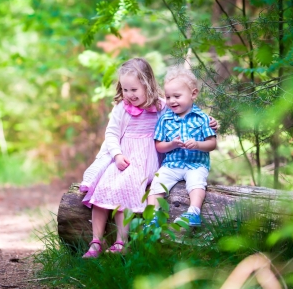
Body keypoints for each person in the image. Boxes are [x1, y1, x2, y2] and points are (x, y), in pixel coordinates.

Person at [80, 59, 218, 258]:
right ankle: (96, 241)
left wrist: (210, 122)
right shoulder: (121, 108)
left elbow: (186, 111)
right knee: (103, 186)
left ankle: (121, 242)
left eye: (134, 89)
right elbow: (111, 134)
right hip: (124, 156)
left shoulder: (162, 106)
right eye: (125, 89)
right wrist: (117, 155)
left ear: (148, 84)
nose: (130, 94)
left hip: (147, 158)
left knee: (125, 185)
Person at [147, 66, 217, 227]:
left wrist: (198, 145)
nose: (172, 101)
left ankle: (193, 213)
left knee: (197, 182)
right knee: (158, 182)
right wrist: (171, 144)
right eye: (168, 96)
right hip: (172, 164)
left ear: (193, 94)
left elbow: (212, 144)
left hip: (196, 164)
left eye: (177, 96)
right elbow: (159, 146)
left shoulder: (203, 119)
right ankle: (152, 217)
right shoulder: (165, 119)